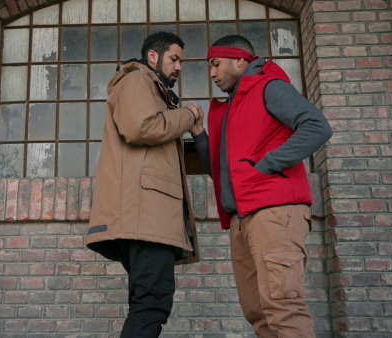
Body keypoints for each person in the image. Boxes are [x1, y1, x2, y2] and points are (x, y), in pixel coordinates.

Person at [190, 35, 333, 337]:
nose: (212, 74)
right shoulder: (232, 106)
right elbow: (221, 170)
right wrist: (200, 135)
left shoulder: (268, 86)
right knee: (259, 315)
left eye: (216, 64)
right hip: (242, 220)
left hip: (274, 212)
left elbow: (317, 126)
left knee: (283, 310)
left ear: (239, 60)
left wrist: (267, 164)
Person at [86, 31, 202, 337]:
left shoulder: (153, 90)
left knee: (146, 303)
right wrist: (188, 116)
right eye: (174, 58)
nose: (179, 66)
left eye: (181, 61)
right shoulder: (137, 80)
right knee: (152, 304)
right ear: (153, 56)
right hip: (144, 217)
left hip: (143, 216)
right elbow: (141, 127)